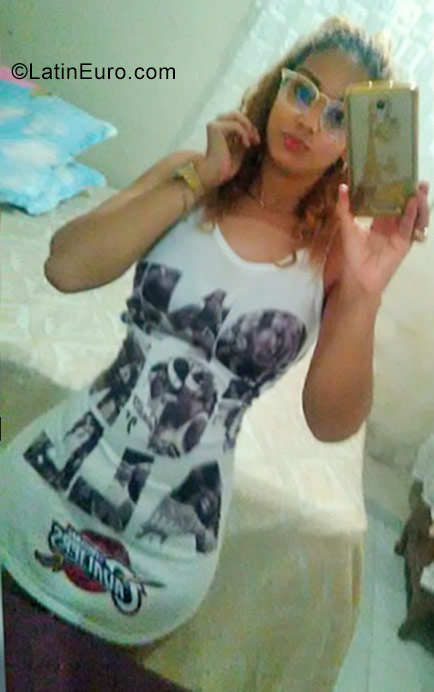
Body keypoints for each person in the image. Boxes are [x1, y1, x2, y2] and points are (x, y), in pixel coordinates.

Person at [1, 13, 430, 670]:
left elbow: (331, 423)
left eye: (339, 117)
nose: (309, 119)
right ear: (277, 87)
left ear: (354, 147)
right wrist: (200, 178)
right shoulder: (190, 174)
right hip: (47, 479)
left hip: (167, 551)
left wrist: (366, 293)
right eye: (303, 90)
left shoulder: (336, 256)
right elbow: (66, 266)